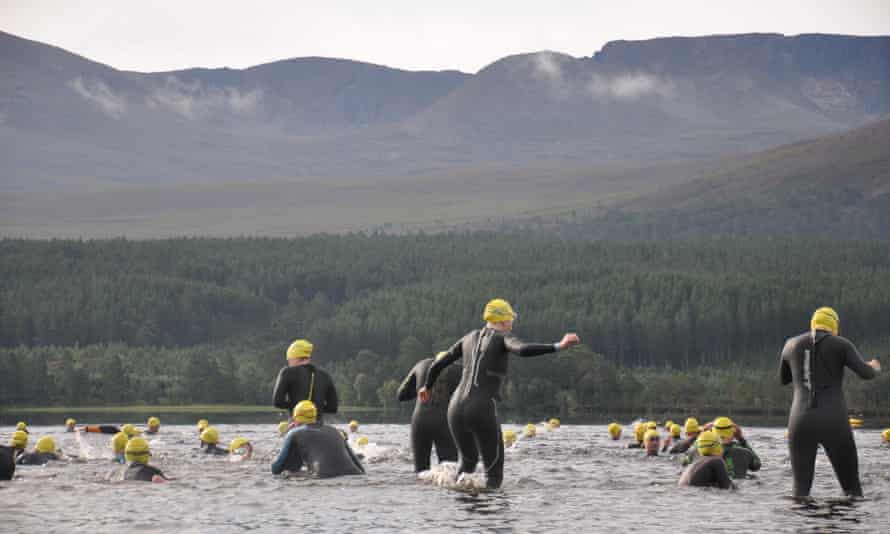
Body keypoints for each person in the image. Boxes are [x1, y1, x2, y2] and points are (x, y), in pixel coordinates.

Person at [419, 298, 581, 489]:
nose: (512, 323)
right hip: (480, 408)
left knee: (467, 463)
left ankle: (461, 515)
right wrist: (558, 345)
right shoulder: (503, 338)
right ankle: (491, 518)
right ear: (503, 321)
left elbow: (439, 363)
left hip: (454, 408)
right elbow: (522, 349)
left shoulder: (468, 338)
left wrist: (426, 387)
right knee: (494, 473)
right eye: (511, 319)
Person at [780, 307, 881, 498]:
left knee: (800, 492)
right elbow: (866, 374)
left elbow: (784, 379)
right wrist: (874, 367)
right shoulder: (841, 344)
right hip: (833, 419)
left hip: (800, 420)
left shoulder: (790, 344)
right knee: (852, 491)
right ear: (834, 325)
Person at [397, 351, 461, 472]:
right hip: (444, 422)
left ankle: (422, 490)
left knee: (420, 471)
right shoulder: (459, 370)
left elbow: (401, 395)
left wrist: (419, 390)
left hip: (420, 421)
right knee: (449, 470)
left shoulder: (421, 364)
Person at [271, 400, 365, 478]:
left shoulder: (293, 433)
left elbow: (276, 469)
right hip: (354, 474)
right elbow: (360, 467)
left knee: (287, 475)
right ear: (315, 417)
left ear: (296, 419)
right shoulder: (336, 431)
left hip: (323, 476)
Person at [273, 339, 338, 422]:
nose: (288, 362)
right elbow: (333, 408)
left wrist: (297, 408)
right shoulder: (325, 375)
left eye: (289, 359)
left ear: (294, 357)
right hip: (318, 425)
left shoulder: (287, 372)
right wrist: (316, 409)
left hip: (297, 424)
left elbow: (277, 402)